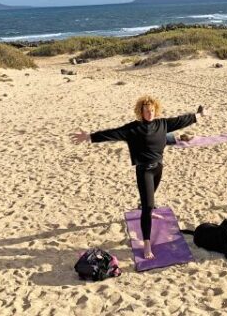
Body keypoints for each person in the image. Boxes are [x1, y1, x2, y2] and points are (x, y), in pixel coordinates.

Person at [70, 96, 206, 259]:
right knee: (148, 207)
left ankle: (146, 207)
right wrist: (90, 137)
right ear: (140, 112)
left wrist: (199, 115)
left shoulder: (162, 124)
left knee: (150, 199)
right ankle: (147, 243)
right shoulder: (133, 129)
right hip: (144, 171)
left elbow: (182, 120)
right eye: (146, 111)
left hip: (158, 168)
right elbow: (113, 133)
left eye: (152, 110)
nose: (150, 113)